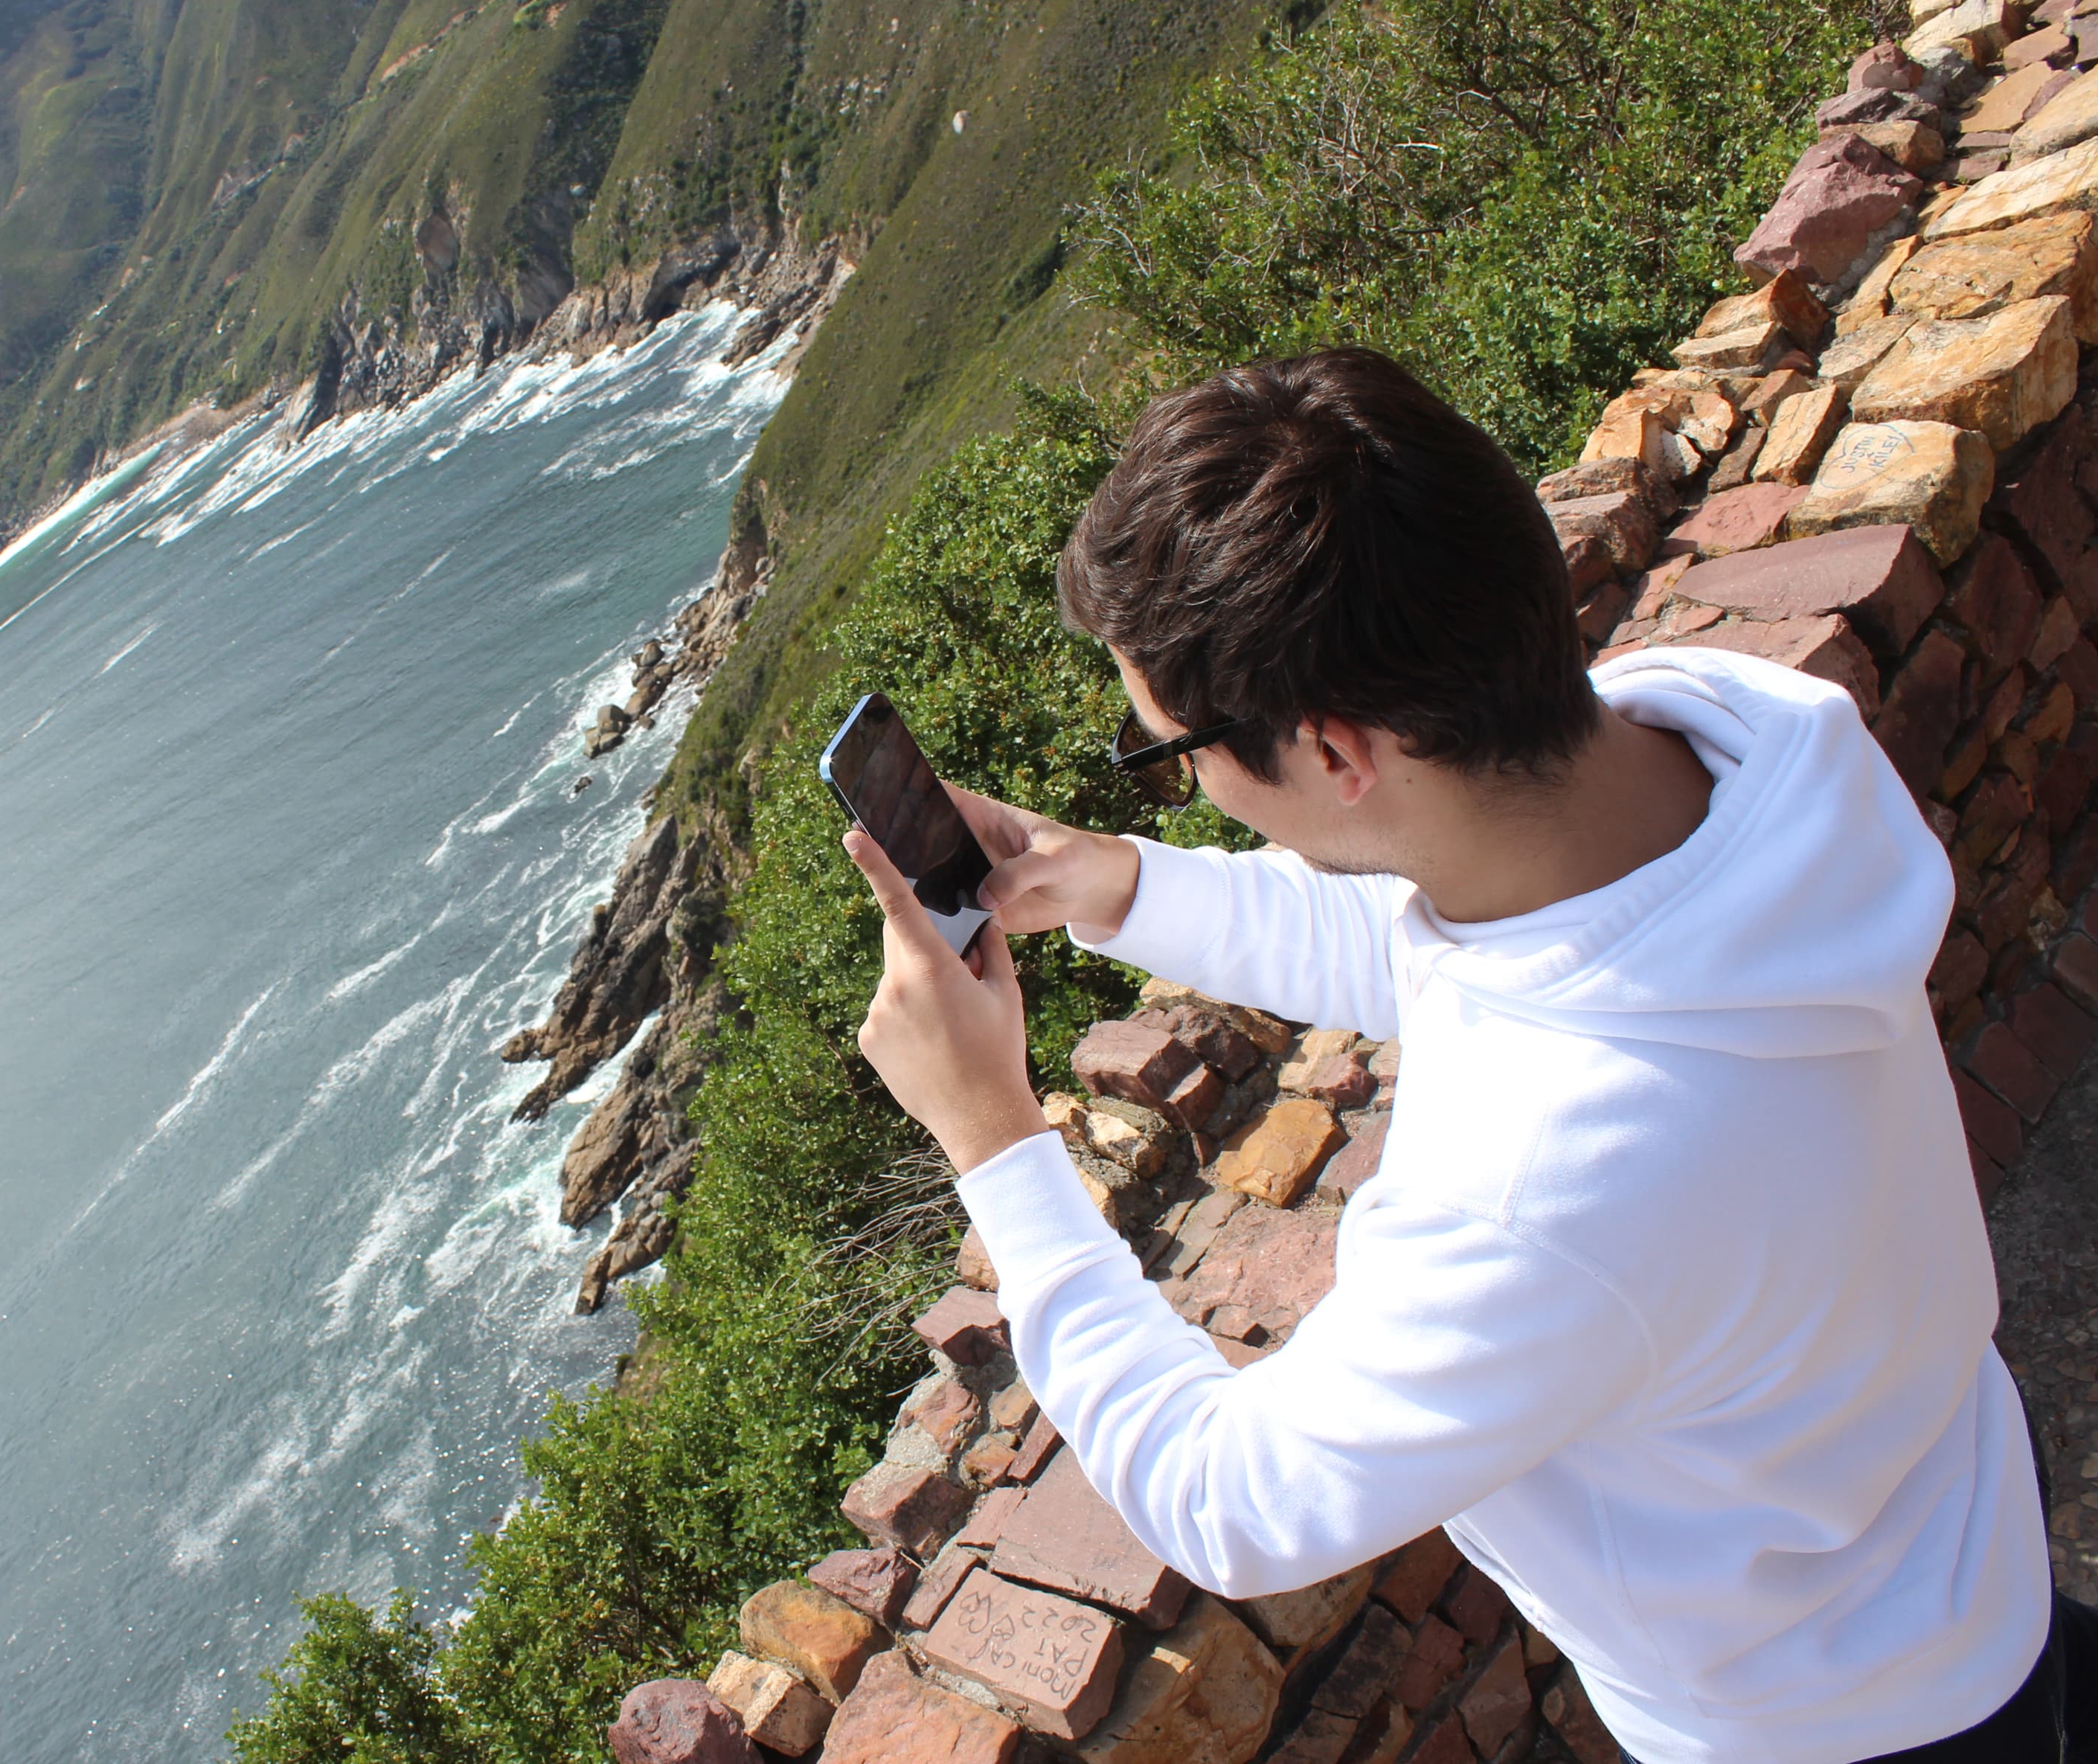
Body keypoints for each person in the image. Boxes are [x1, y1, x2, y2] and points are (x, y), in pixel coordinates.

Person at [839, 349, 2093, 1763]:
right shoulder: (1738, 746)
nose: (1180, 777)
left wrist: (995, 1144)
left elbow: (1232, 1502)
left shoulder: (1545, 1187)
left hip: (1837, 1719)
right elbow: (1452, 939)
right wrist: (1120, 883)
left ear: (1333, 749)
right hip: (1953, 1522)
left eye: (1170, 751)